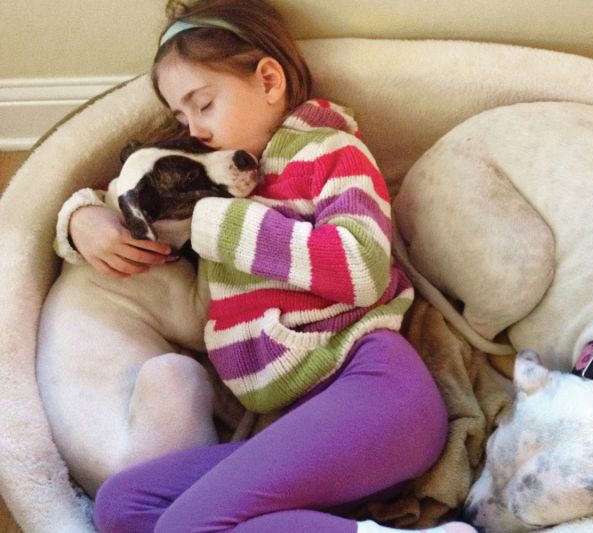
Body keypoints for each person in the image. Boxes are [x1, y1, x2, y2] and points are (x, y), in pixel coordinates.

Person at [62, 0, 477, 531]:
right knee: (124, 506)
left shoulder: (331, 151)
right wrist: (81, 218)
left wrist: (217, 222)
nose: (194, 129)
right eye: (181, 117)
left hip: (376, 393)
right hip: (298, 427)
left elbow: (362, 267)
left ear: (268, 80)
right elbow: (134, 189)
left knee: (185, 526)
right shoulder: (210, 176)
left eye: (204, 104)